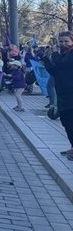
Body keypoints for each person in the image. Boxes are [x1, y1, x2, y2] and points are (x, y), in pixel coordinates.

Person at [42, 31, 73, 159]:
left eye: (66, 41)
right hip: (62, 94)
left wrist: (54, 54)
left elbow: (62, 64)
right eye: (61, 41)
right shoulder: (62, 55)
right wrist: (45, 60)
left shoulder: (69, 55)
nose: (63, 44)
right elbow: (56, 71)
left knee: (71, 122)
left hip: (71, 94)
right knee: (66, 122)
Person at [6, 46, 27, 112]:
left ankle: (20, 106)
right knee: (16, 95)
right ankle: (18, 105)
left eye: (13, 65)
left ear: (16, 66)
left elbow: (17, 78)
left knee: (18, 95)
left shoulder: (19, 72)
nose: (11, 66)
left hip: (21, 85)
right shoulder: (15, 71)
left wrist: (10, 76)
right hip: (18, 85)